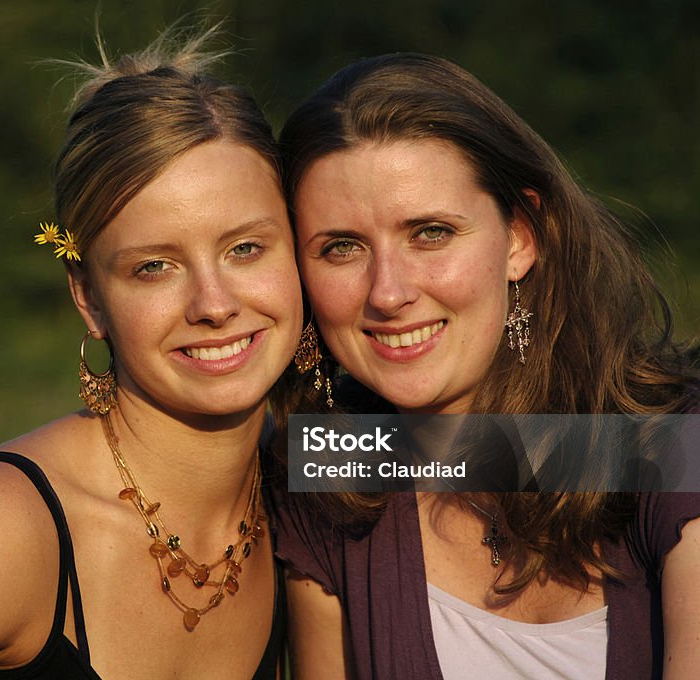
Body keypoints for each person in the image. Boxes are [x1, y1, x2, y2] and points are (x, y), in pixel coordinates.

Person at [0, 25, 303, 679]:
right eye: (154, 267)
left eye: (245, 248)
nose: (214, 304)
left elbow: (483, 455)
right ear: (89, 298)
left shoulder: (311, 468)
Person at [271, 53, 700, 679]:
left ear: (520, 237)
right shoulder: (329, 470)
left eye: (431, 233)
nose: (388, 293)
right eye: (342, 247)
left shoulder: (670, 442)